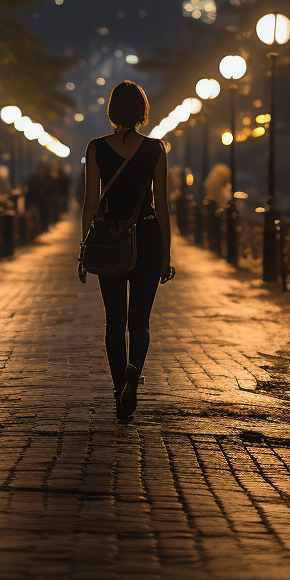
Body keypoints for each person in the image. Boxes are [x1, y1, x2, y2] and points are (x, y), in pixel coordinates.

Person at [80, 80, 172, 422]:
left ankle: (120, 386)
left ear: (112, 111)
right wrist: (167, 254)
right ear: (142, 113)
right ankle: (135, 369)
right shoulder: (156, 149)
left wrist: (83, 247)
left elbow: (90, 202)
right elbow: (162, 205)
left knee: (114, 321)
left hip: (110, 241)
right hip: (148, 236)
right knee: (141, 322)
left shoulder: (95, 147)